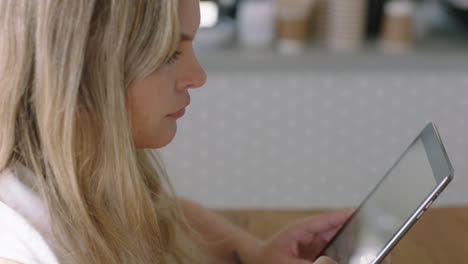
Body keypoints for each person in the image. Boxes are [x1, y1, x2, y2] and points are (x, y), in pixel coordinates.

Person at [0, 0, 351, 263]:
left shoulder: (91, 174)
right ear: (82, 72)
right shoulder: (22, 247)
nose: (197, 77)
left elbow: (160, 215)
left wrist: (255, 253)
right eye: (169, 55)